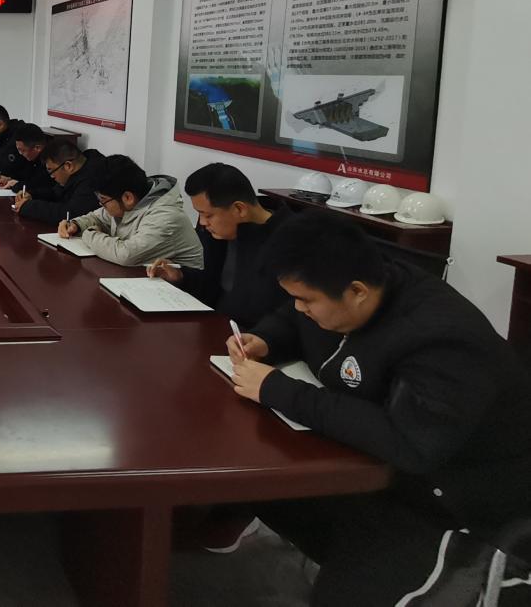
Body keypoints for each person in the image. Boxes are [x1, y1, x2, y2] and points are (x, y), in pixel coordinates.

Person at [226, 214, 531, 606]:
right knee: (260, 479)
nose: (299, 307)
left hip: (459, 496)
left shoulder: (443, 340)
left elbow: (411, 443)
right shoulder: (356, 287)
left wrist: (278, 390)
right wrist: (265, 340)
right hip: (380, 464)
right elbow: (294, 319)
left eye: (306, 300)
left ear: (357, 291)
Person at [148, 162, 290, 325]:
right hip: (215, 326)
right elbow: (211, 286)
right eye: (200, 214)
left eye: (208, 215)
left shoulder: (289, 241)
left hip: (252, 336)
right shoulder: (220, 233)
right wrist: (181, 276)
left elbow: (287, 316)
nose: (202, 222)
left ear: (239, 209)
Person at [57, 155, 204, 268]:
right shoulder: (132, 201)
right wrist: (76, 225)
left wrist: (89, 233)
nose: (101, 205)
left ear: (128, 197)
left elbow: (126, 255)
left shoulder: (166, 217)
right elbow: (98, 218)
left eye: (103, 200)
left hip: (181, 294)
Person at [12, 139, 103, 224]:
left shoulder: (94, 179)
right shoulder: (77, 171)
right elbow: (55, 193)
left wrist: (29, 207)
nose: (52, 176)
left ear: (68, 166)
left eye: (51, 171)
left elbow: (70, 214)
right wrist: (32, 195)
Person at [0, 123, 48, 190]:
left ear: (37, 148)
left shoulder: (48, 162)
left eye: (23, 150)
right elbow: (23, 177)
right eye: (18, 150)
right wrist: (9, 179)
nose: (20, 153)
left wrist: (17, 184)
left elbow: (38, 186)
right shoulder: (30, 157)